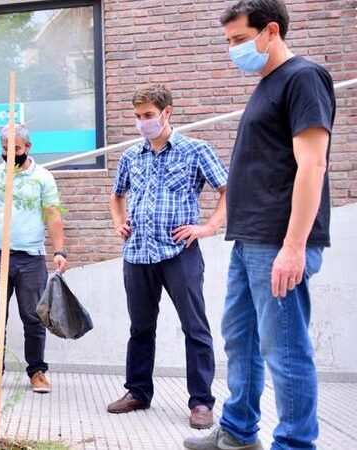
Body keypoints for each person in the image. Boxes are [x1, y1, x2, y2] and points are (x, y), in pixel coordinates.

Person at [184, 1, 336, 449]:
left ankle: (294, 443)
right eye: (228, 41)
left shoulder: (304, 78)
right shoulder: (266, 84)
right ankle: (237, 432)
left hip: (278, 242)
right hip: (249, 240)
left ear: (270, 31)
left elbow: (312, 166)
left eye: (238, 39)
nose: (232, 50)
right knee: (241, 342)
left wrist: (294, 246)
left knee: (285, 352)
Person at [107, 85, 228, 430]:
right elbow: (117, 196)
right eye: (137, 116)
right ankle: (138, 392)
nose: (142, 122)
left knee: (195, 327)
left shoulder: (195, 150)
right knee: (140, 328)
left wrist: (207, 227)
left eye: (148, 115)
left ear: (166, 113)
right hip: (137, 254)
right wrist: (118, 221)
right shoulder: (131, 156)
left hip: (179, 254)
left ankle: (201, 402)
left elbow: (227, 189)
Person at [0, 124, 67, 395]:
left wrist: (59, 251)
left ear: (28, 148)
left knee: (33, 317)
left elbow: (53, 215)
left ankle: (37, 372)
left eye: (17, 150)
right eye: (5, 150)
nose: (11, 155)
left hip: (31, 258)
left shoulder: (43, 177)